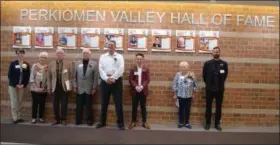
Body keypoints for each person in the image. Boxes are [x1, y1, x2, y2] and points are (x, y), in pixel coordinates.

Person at [96, 40, 125, 130]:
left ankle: (120, 123)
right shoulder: (102, 57)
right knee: (104, 103)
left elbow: (121, 69)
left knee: (118, 103)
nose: (111, 46)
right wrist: (106, 78)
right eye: (109, 45)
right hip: (105, 82)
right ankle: (102, 122)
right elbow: (100, 69)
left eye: (112, 45)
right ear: (107, 46)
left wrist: (113, 78)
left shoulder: (120, 57)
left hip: (116, 82)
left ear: (115, 46)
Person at [203, 47, 228, 131]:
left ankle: (217, 124)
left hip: (219, 89)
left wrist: (220, 84)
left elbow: (225, 76)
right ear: (212, 53)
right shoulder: (207, 63)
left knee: (219, 107)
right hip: (209, 89)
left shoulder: (224, 64)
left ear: (219, 53)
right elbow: (204, 76)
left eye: (217, 52)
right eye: (214, 52)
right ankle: (208, 123)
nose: (216, 53)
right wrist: (208, 84)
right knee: (208, 106)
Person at [73, 48, 98, 126]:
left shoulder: (94, 64)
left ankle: (89, 120)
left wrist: (94, 88)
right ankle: (78, 120)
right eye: (84, 53)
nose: (85, 54)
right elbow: (74, 76)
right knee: (79, 105)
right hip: (79, 88)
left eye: (87, 53)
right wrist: (74, 86)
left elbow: (95, 77)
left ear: (90, 54)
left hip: (89, 88)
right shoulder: (77, 63)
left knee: (89, 105)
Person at [47, 48, 72, 126]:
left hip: (64, 87)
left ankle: (63, 119)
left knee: (64, 103)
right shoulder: (51, 64)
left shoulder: (69, 64)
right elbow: (49, 77)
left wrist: (69, 86)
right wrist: (49, 87)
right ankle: (56, 119)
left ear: (64, 55)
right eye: (57, 53)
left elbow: (71, 76)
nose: (59, 55)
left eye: (61, 53)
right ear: (56, 55)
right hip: (55, 87)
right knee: (55, 104)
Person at [8, 48, 30, 124]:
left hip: (22, 86)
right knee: (14, 102)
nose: (20, 55)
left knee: (20, 102)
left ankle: (19, 117)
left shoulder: (26, 64)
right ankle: (15, 118)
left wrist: (23, 84)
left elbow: (27, 76)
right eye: (18, 53)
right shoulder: (13, 63)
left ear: (23, 54)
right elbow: (10, 75)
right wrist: (16, 84)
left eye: (21, 53)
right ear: (16, 54)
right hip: (13, 86)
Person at [128, 53, 150, 129]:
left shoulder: (146, 68)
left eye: (141, 59)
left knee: (143, 107)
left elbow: (147, 80)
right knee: (134, 106)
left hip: (143, 91)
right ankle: (133, 122)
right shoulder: (133, 69)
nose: (139, 60)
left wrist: (142, 86)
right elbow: (130, 79)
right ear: (136, 59)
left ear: (143, 60)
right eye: (138, 59)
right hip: (135, 91)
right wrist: (136, 86)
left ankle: (144, 122)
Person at [172, 61, 197, 129]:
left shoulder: (191, 74)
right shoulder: (178, 74)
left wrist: (193, 94)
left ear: (188, 67)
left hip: (189, 96)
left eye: (184, 67)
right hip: (180, 95)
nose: (183, 68)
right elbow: (174, 84)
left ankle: (187, 123)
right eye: (181, 67)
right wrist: (175, 94)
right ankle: (180, 122)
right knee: (181, 110)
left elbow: (195, 85)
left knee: (188, 110)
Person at [29, 52, 49, 124]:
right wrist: (35, 87)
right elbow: (31, 78)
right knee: (35, 103)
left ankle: (41, 117)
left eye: (44, 57)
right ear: (39, 58)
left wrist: (44, 87)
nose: (42, 59)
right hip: (35, 89)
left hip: (43, 89)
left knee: (42, 104)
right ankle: (33, 118)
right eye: (41, 57)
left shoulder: (47, 67)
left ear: (46, 59)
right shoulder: (34, 66)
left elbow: (48, 79)